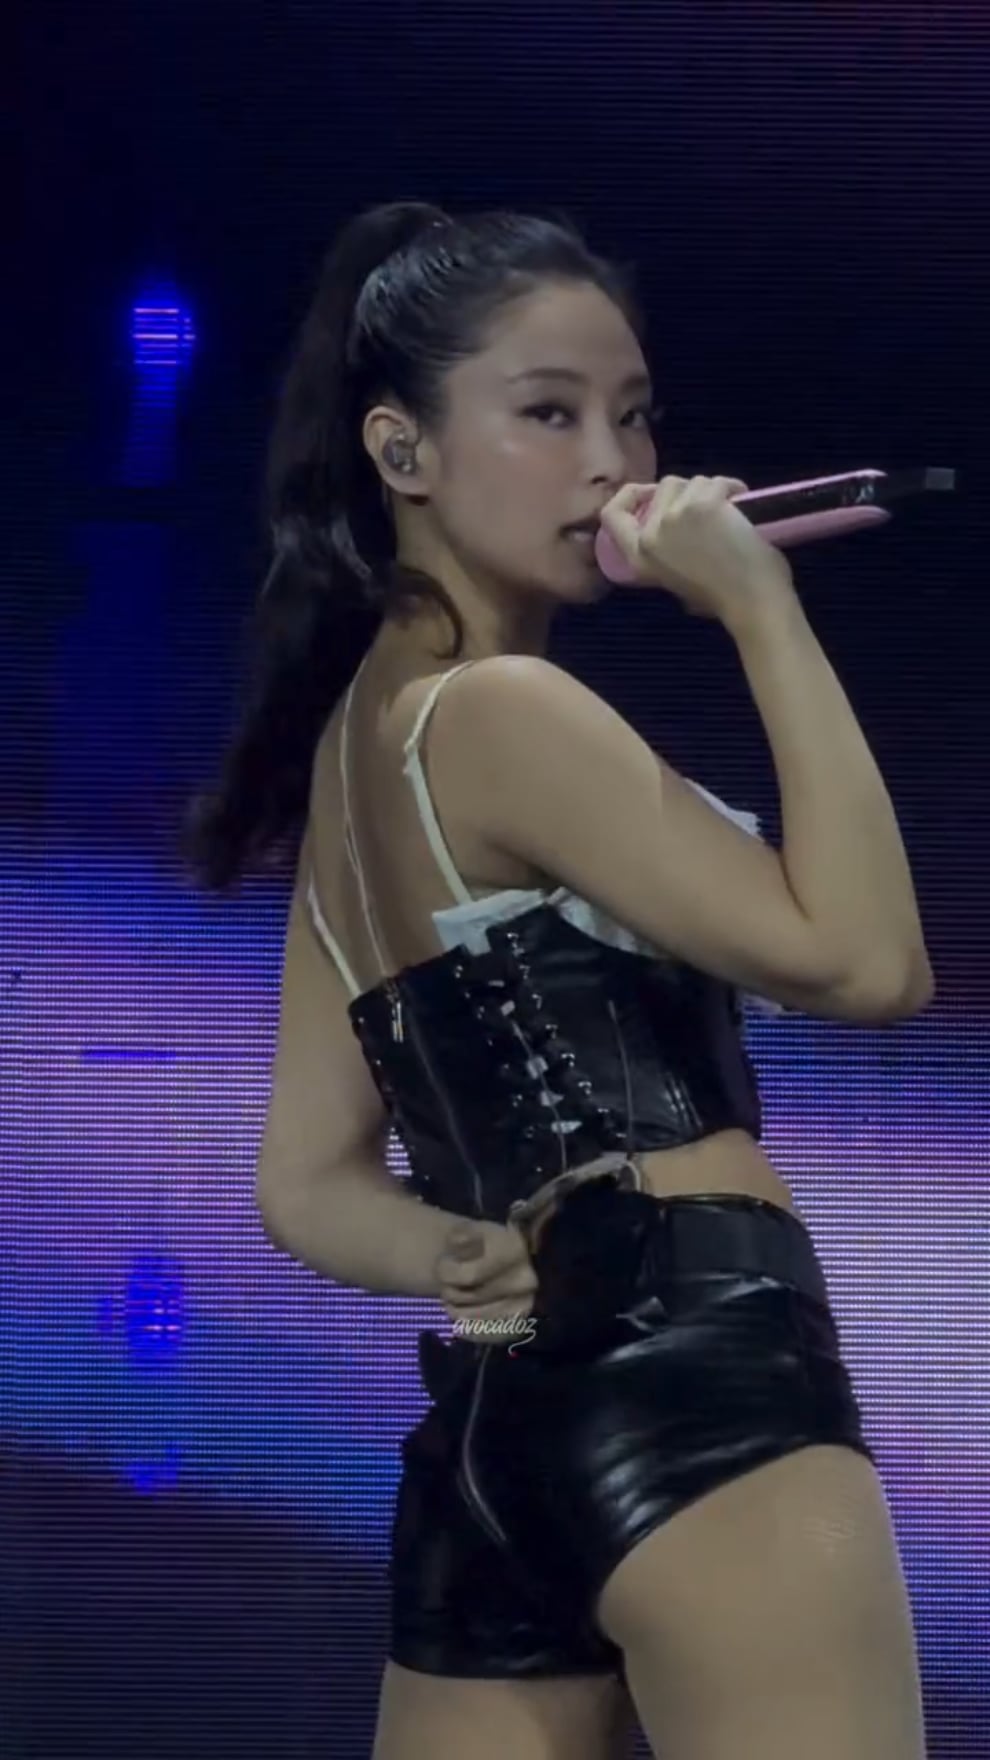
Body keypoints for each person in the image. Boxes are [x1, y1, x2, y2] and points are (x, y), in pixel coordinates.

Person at [185, 201, 932, 1760]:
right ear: (401, 452)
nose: (613, 462)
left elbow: (302, 1183)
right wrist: (761, 609)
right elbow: (868, 963)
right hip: (695, 1384)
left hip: (491, 1441)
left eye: (632, 413)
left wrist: (460, 1255)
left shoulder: (350, 763)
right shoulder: (502, 711)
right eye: (547, 413)